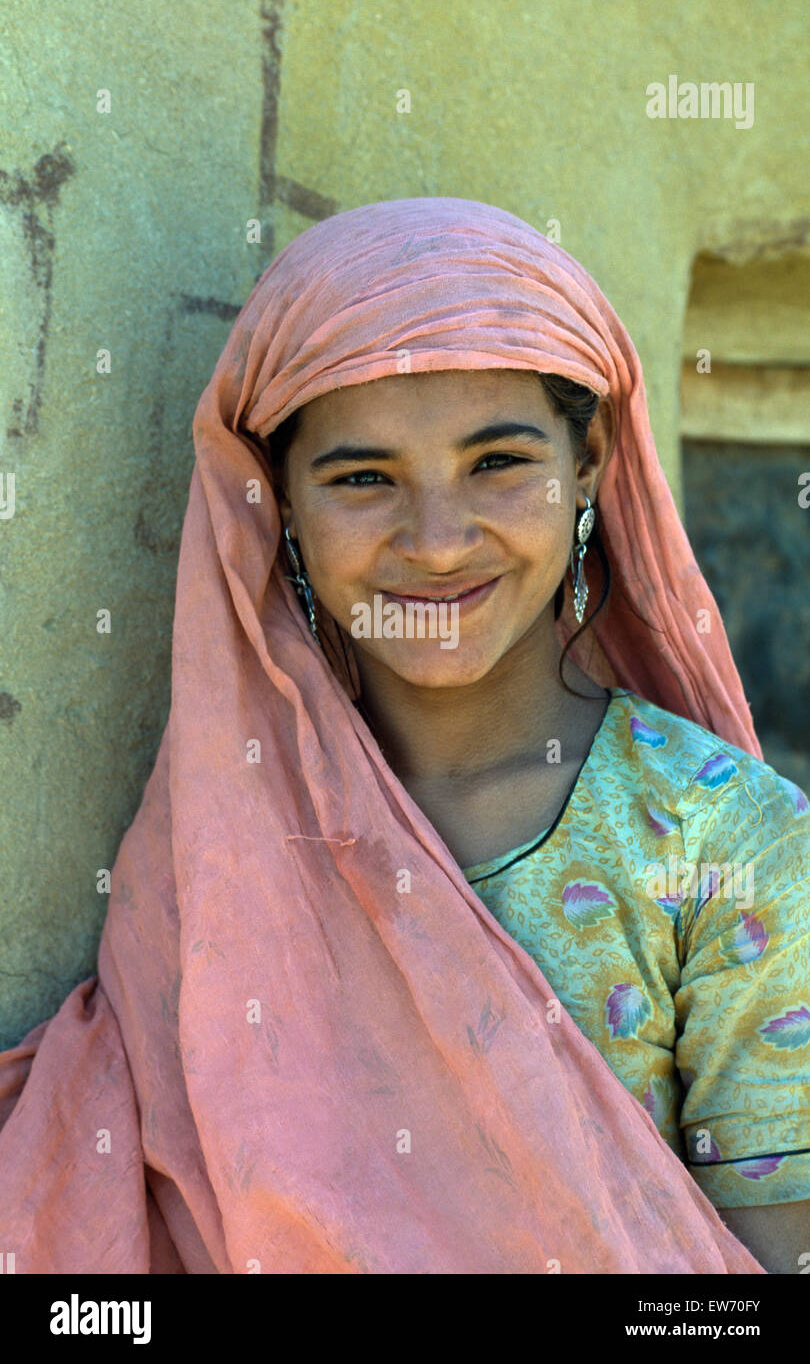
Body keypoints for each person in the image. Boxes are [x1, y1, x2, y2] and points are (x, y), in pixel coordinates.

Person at [0, 196, 807, 1274]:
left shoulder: (720, 844)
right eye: (362, 478)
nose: (434, 541)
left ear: (592, 462)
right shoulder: (221, 839)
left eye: (498, 462)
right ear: (275, 497)